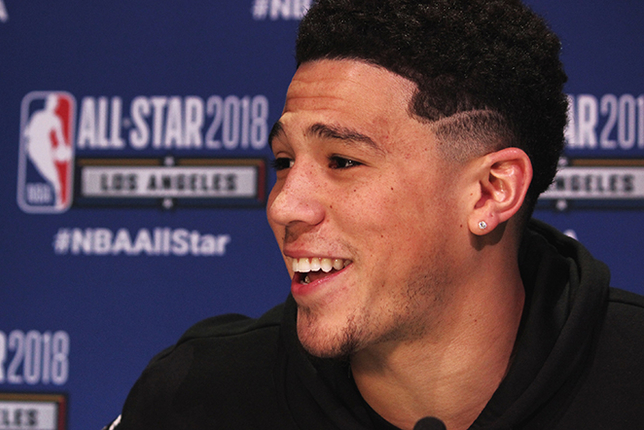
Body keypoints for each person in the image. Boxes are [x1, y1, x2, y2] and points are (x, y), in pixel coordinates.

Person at [105, 0, 644, 428]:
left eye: (342, 161)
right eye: (285, 161)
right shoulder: (195, 400)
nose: (283, 205)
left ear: (489, 192)